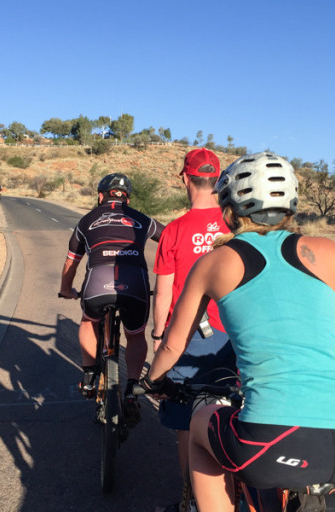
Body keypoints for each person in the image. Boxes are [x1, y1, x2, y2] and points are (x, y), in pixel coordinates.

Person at [141, 152, 335, 512]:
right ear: (291, 203)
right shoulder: (325, 251)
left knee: (199, 425)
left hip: (270, 441)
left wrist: (154, 381)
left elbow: (173, 343)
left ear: (229, 207)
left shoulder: (215, 261)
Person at [152, 148, 237, 511]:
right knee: (231, 411)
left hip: (188, 337)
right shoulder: (236, 226)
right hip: (233, 334)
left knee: (188, 418)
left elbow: (164, 292)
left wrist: (159, 338)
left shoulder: (174, 230)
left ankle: (191, 499)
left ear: (185, 179)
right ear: (217, 181)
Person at [59, 173, 163, 425]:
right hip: (135, 283)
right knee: (136, 335)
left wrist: (66, 289)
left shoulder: (87, 220)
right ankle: (131, 387)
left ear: (100, 195)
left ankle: (88, 376)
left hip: (98, 281)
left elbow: (71, 262)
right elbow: (172, 239)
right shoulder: (142, 219)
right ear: (127, 197)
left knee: (88, 320)